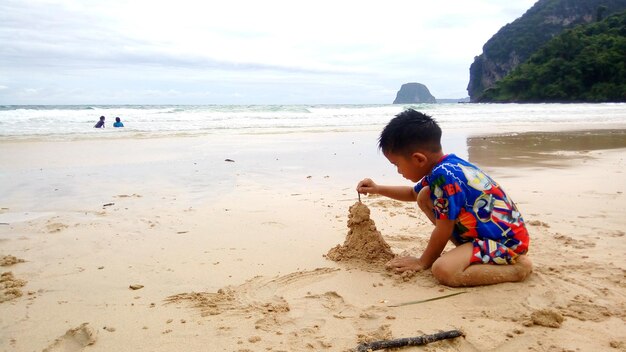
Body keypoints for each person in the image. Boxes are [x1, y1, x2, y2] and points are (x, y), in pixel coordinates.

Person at [356, 109, 532, 287]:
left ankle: (517, 269)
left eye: (397, 164)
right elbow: (412, 193)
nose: (398, 170)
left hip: (504, 244)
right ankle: (465, 253)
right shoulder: (445, 168)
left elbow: (443, 229)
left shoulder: (444, 179)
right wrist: (377, 189)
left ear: (418, 159)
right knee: (424, 195)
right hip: (488, 236)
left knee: (443, 270)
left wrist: (422, 262)